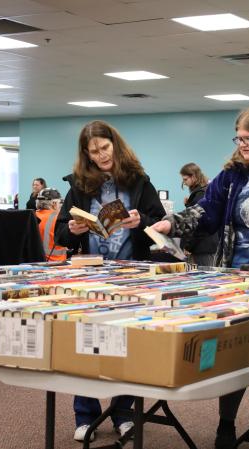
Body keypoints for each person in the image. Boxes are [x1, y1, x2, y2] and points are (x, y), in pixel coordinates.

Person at [151, 105, 249, 449]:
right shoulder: (232, 176)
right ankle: (227, 424)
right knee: (239, 353)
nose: (242, 145)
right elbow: (205, 212)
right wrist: (172, 223)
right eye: (237, 138)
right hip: (239, 277)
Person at [55, 120, 166, 443]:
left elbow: (158, 222)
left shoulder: (138, 180)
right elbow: (61, 232)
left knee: (128, 346)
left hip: (131, 275)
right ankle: (85, 414)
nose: (101, 156)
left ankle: (122, 413)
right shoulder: (78, 183)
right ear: (86, 156)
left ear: (114, 144)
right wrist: (72, 230)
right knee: (84, 345)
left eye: (105, 148)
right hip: (90, 276)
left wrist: (140, 220)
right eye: (94, 152)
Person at [179, 163, 218, 266]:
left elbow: (198, 224)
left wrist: (188, 246)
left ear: (194, 176)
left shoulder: (200, 195)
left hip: (202, 247)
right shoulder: (205, 190)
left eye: (185, 179)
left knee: (204, 278)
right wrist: (188, 205)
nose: (184, 183)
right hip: (207, 245)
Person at [35, 188, 67, 262]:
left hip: (36, 263)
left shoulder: (32, 216)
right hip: (57, 265)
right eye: (59, 203)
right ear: (54, 203)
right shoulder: (59, 218)